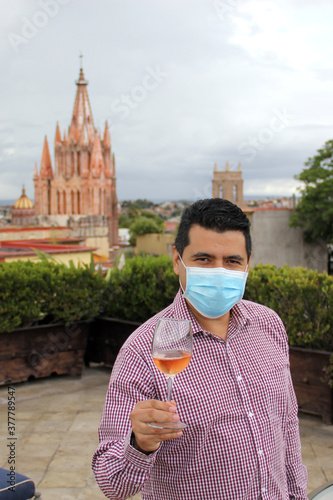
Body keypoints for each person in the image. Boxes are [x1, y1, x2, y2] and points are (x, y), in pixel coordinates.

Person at [92, 198, 308, 500]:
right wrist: (139, 443)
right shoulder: (142, 351)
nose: (219, 271)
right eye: (204, 259)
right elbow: (112, 484)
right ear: (177, 260)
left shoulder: (269, 324)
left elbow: (287, 424)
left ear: (248, 265)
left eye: (232, 261)